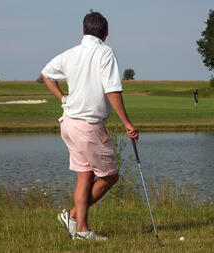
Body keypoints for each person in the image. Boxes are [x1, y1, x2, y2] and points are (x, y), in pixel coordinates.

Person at [40, 11, 139, 241]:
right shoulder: (105, 52)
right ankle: (75, 217)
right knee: (110, 176)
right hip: (88, 126)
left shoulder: (71, 53)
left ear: (83, 31)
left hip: (68, 124)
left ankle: (80, 227)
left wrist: (62, 98)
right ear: (106, 33)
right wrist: (127, 123)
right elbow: (112, 89)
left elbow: (46, 74)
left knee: (85, 176)